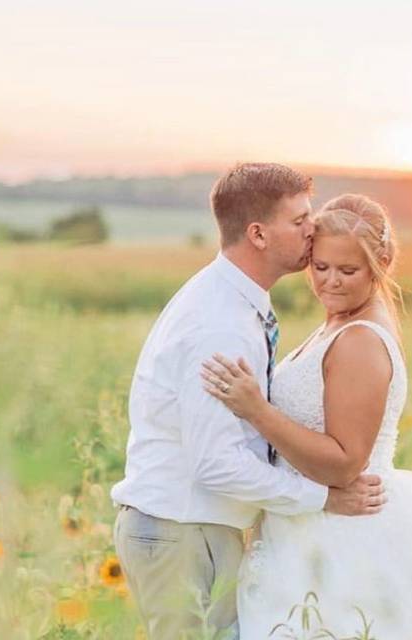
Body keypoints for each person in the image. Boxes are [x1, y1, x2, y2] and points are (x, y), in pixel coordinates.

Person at [201, 194, 412, 639]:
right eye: (321, 267)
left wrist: (257, 410)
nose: (330, 282)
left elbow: (345, 462)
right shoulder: (337, 321)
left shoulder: (359, 341)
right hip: (305, 526)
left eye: (348, 271)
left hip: (345, 536)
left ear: (381, 264)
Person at [110, 165, 385, 640]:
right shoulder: (220, 323)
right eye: (299, 220)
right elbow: (215, 464)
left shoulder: (234, 302)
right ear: (258, 233)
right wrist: (323, 499)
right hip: (182, 532)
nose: (312, 228)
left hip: (194, 530)